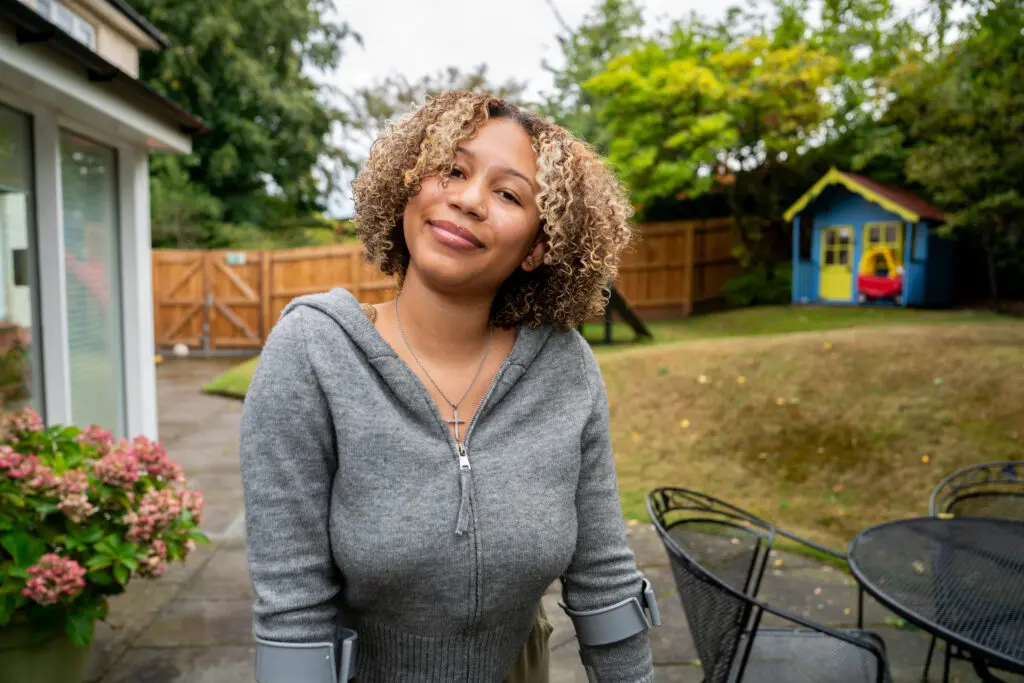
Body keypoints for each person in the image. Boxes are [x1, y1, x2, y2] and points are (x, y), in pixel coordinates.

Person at [240, 90, 659, 683]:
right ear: (409, 183)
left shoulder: (566, 370)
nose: (467, 200)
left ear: (539, 246)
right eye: (452, 170)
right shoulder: (313, 352)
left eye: (509, 193)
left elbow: (605, 580)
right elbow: (291, 607)